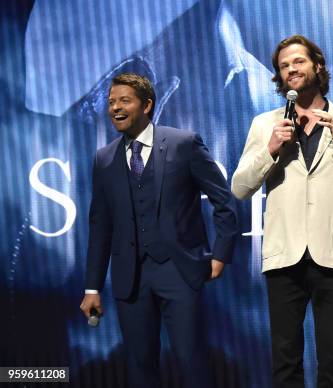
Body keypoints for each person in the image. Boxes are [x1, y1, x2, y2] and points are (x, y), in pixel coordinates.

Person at [232, 35, 333, 387]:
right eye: (284, 66)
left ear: (318, 66)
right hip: (283, 255)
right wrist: (270, 149)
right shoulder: (264, 124)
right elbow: (240, 188)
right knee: (285, 363)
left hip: (331, 255)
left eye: (297, 62)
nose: (290, 70)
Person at [79, 73, 239, 388]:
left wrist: (220, 255)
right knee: (139, 368)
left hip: (179, 270)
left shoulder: (184, 144)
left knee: (192, 363)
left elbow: (225, 202)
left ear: (147, 104)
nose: (115, 108)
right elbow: (100, 227)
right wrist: (92, 287)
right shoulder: (104, 158)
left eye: (124, 100)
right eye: (111, 102)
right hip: (130, 278)